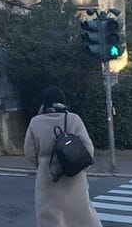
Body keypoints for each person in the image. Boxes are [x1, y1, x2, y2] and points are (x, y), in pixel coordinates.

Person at [23, 86, 102, 227]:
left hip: (48, 180)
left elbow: (29, 153)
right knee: (80, 218)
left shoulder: (35, 122)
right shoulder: (74, 119)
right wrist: (78, 167)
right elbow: (89, 149)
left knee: (51, 219)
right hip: (74, 178)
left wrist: (43, 165)